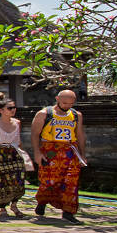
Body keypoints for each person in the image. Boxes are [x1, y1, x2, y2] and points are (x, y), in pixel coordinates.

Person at [31, 89, 86, 224]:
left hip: (70, 150)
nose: (67, 106)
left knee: (71, 182)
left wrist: (82, 155)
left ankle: (68, 212)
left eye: (71, 103)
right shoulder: (44, 114)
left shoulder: (76, 115)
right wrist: (37, 153)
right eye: (65, 102)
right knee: (48, 181)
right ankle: (42, 201)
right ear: (57, 99)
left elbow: (79, 135)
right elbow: (34, 134)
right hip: (50, 150)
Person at [0, 94, 27, 218]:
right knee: (0, 180)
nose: (13, 110)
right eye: (9, 108)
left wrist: (24, 155)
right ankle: (2, 207)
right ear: (0, 110)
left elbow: (18, 140)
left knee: (18, 180)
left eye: (14, 108)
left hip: (13, 152)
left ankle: (14, 205)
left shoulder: (17, 122)